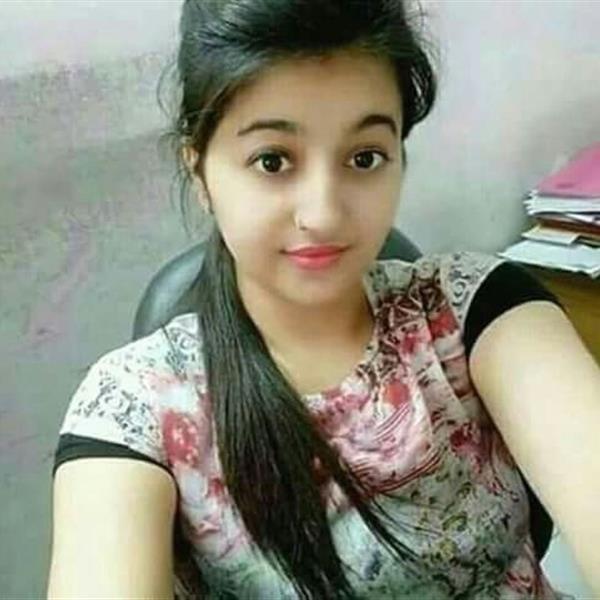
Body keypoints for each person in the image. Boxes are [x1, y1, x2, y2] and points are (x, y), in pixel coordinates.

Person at [47, 1, 600, 598]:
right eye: (273, 161)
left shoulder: (476, 311)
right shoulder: (137, 404)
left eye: (365, 158)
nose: (324, 213)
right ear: (200, 171)